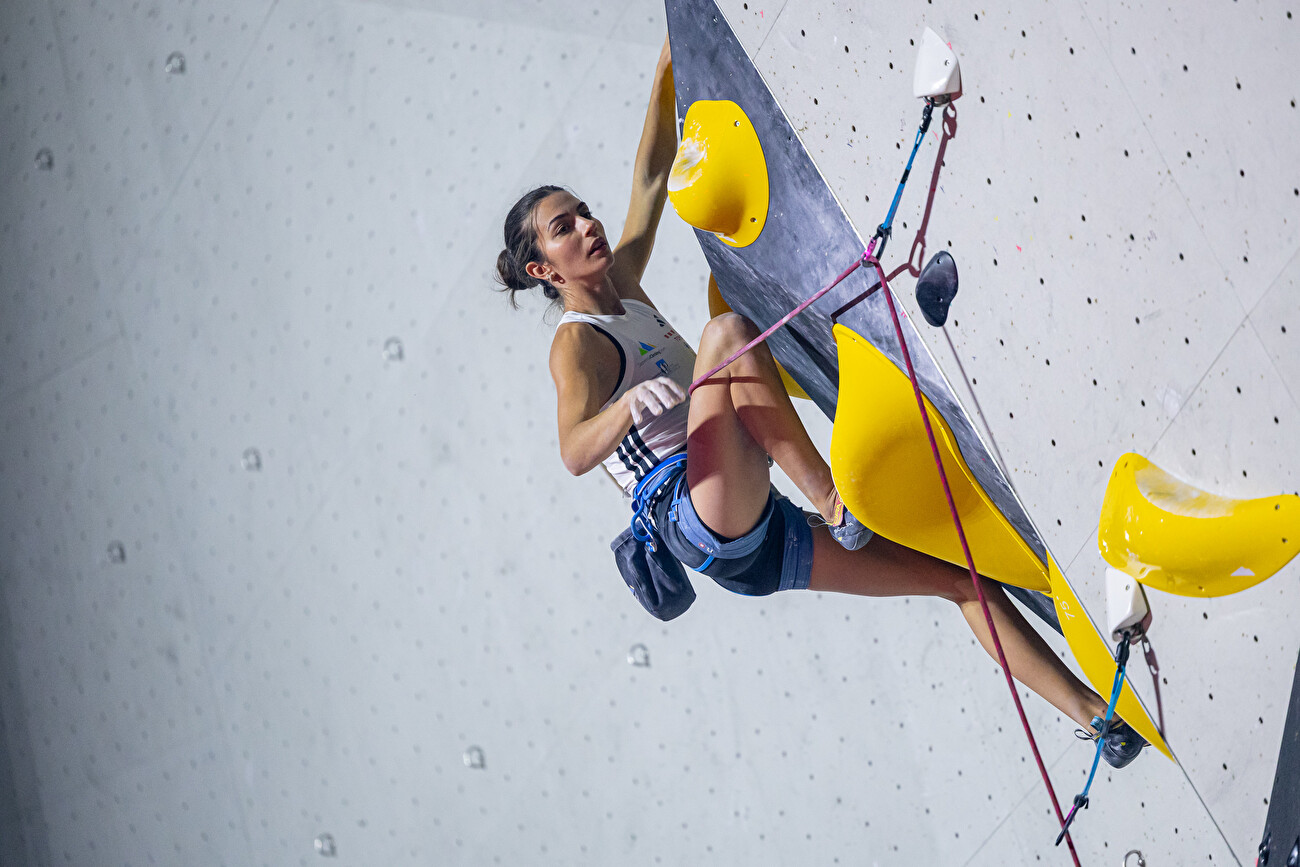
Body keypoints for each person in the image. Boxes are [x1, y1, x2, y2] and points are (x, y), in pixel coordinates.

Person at [492, 35, 1144, 768]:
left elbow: (648, 181)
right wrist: (624, 409)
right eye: (565, 228)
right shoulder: (573, 343)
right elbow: (574, 451)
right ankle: (834, 498)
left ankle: (1101, 720)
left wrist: (667, 74)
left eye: (582, 212)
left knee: (958, 579)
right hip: (693, 511)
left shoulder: (626, 287)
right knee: (727, 333)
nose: (588, 225)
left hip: (753, 544)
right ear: (544, 269)